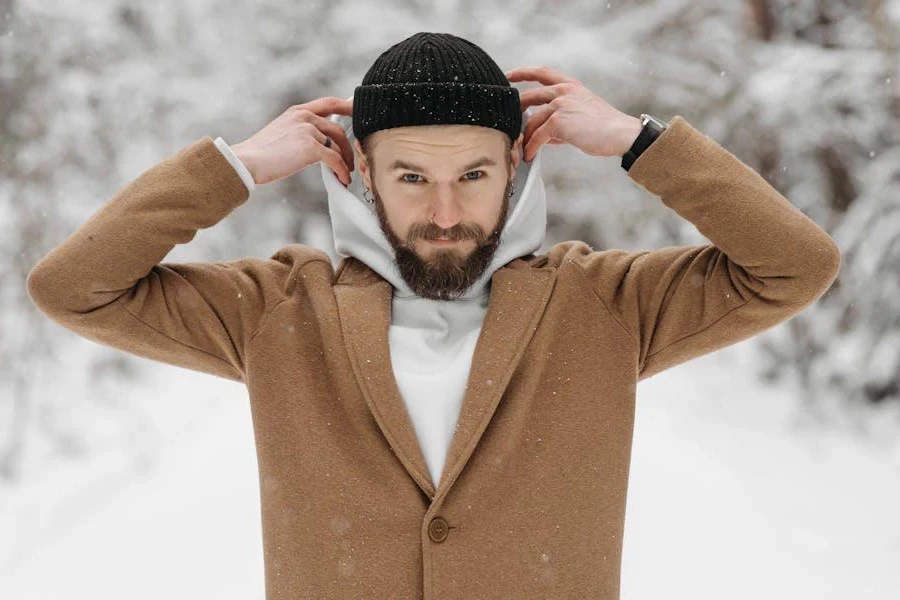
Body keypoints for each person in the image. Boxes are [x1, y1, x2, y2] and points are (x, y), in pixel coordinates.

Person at [26, 31, 840, 600]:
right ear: (360, 174)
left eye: (474, 175)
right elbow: (74, 287)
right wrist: (232, 168)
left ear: (518, 165)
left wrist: (639, 140)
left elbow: (796, 265)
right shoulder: (277, 311)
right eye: (412, 177)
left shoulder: (605, 305)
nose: (445, 211)